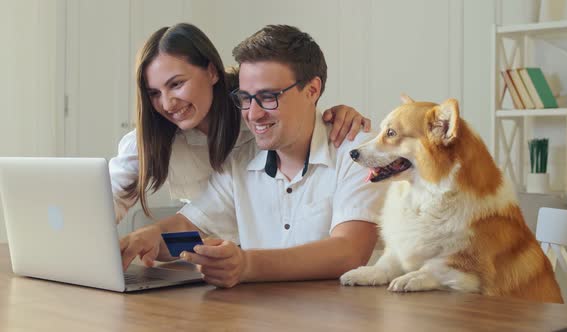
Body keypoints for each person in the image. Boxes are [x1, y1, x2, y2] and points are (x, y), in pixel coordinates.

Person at [119, 24, 388, 288]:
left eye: (268, 97)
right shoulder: (241, 160)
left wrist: (246, 264)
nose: (254, 114)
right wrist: (151, 237)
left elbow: (349, 251)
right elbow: (191, 229)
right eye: (246, 98)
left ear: (312, 90)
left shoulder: (357, 152)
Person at [109, 23, 371, 223]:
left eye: (176, 84)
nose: (167, 104)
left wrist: (334, 115)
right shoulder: (150, 141)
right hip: (215, 263)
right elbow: (106, 202)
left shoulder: (262, 122)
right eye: (154, 93)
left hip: (271, 261)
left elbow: (302, 116)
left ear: (212, 71)